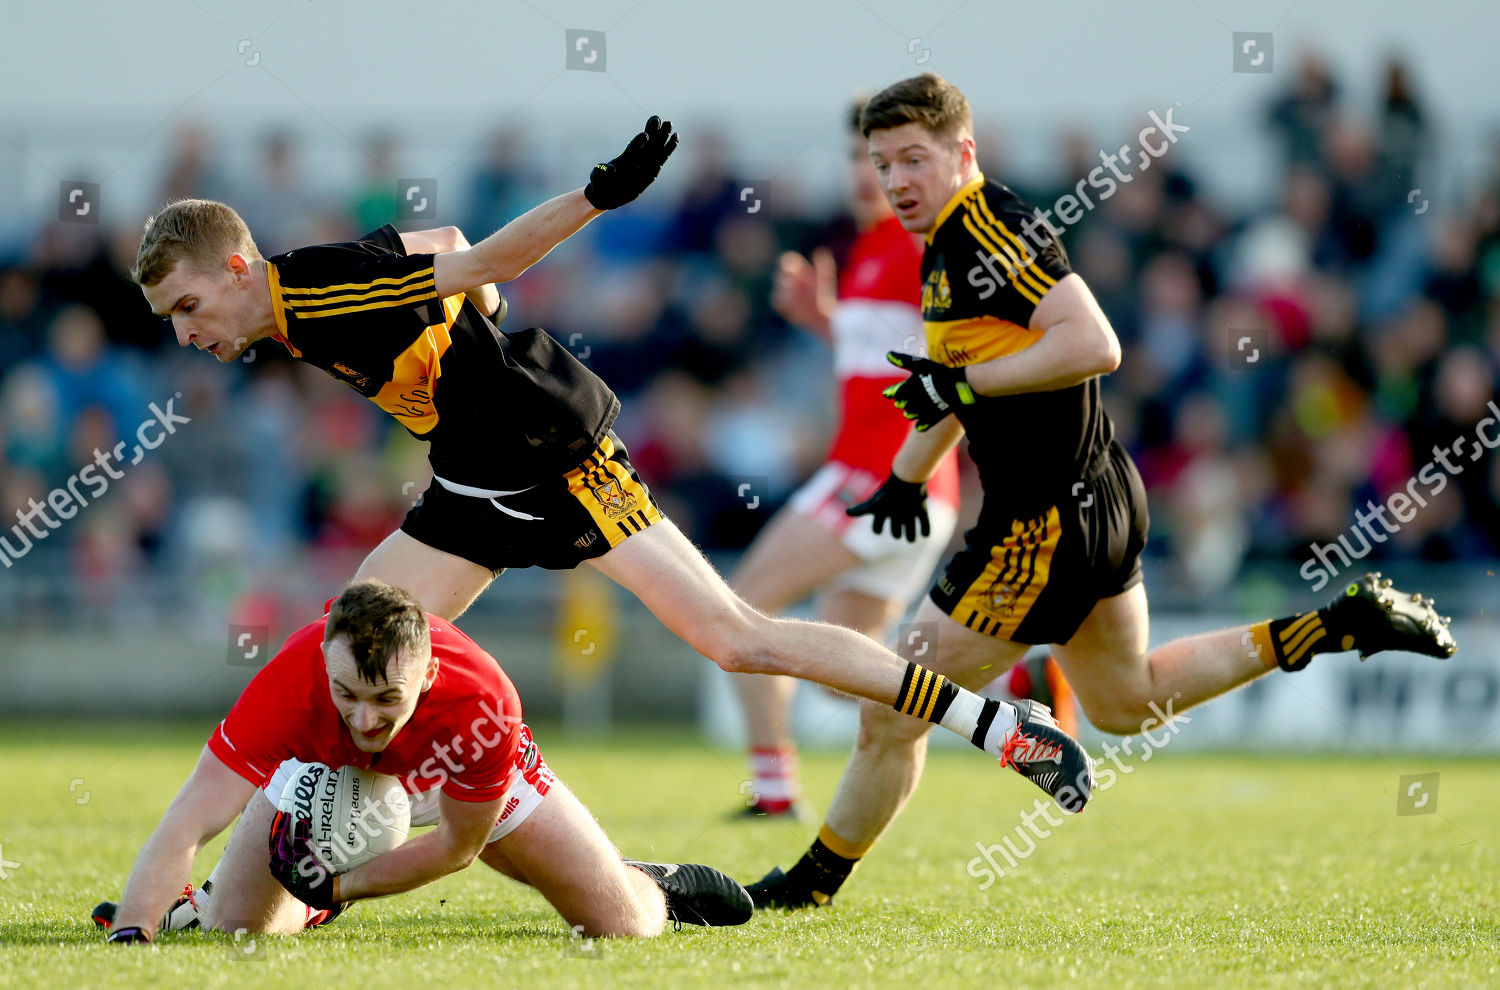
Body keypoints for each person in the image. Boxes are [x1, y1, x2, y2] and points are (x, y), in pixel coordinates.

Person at [132, 117, 1094, 815]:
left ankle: (999, 728)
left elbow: (484, 259)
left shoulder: (322, 291)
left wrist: (592, 200)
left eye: (186, 308)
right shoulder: (293, 303)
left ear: (235, 269)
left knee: (737, 638)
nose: (184, 335)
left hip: (556, 457)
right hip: (470, 481)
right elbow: (449, 244)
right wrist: (476, 332)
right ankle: (292, 858)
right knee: (348, 643)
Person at [748, 73, 1457, 909]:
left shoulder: (985, 230)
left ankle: (811, 885)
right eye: (881, 163)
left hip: (1043, 523)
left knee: (894, 707)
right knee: (1129, 702)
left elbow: (1094, 342)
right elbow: (952, 386)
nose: (895, 180)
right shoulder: (945, 243)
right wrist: (905, 479)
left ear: (962, 153)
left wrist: (962, 387)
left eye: (912, 159)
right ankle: (1332, 625)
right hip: (1095, 499)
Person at [728, 98, 1076, 818]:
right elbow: (894, 362)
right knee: (847, 675)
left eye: (885, 161)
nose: (869, 174)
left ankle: (773, 791)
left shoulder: (921, 247)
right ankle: (1011, 691)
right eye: (860, 158)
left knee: (740, 611)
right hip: (909, 491)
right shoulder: (865, 253)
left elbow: (959, 356)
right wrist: (824, 322)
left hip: (881, 477)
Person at [94, 579, 754, 943]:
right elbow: (190, 818)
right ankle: (244, 905)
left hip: (451, 769)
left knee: (622, 928)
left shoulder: (484, 705)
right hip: (329, 775)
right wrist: (133, 933)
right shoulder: (291, 682)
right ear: (324, 662)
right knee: (239, 929)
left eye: (386, 699)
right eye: (347, 694)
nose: (364, 720)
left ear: (429, 675)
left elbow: (456, 848)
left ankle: (644, 881)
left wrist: (342, 883)